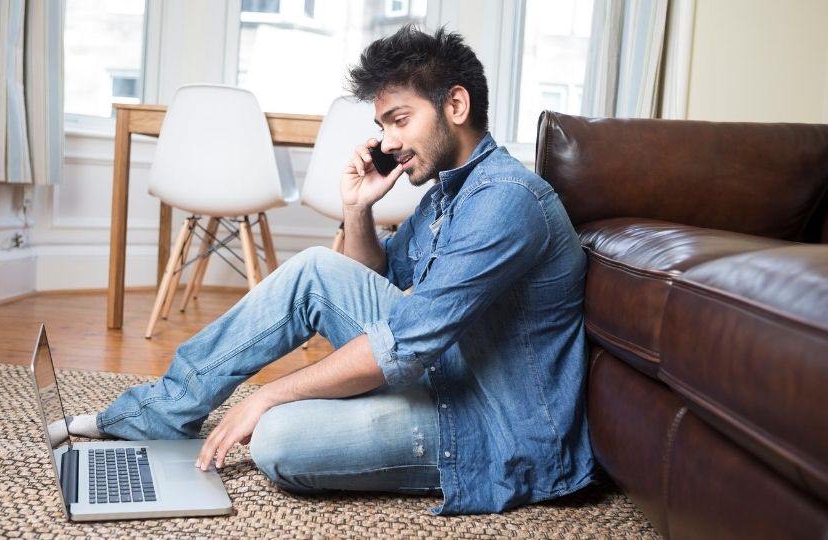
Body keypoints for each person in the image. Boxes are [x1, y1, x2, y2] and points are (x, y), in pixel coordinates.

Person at [67, 25, 594, 515]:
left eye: (400, 120)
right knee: (317, 267)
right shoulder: (451, 193)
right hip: (447, 368)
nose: (388, 142)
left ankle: (228, 411)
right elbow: (380, 278)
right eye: (383, 125)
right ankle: (160, 412)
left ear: (456, 104)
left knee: (276, 438)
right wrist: (357, 209)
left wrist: (270, 393)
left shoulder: (507, 202)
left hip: (491, 425)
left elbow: (404, 345)